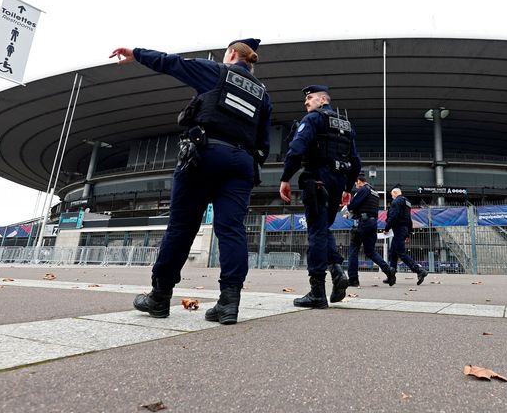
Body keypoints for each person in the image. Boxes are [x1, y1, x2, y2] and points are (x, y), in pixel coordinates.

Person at [109, 38, 272, 324]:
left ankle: (159, 298)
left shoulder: (218, 72)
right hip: (242, 162)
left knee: (182, 227)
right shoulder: (262, 93)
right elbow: (264, 143)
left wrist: (136, 53)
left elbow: (173, 63)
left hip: (205, 155)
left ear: (232, 54)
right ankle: (228, 303)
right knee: (231, 230)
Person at [279, 85, 361, 307]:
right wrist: (347, 188)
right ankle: (337, 272)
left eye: (310, 97)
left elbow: (296, 148)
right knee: (323, 227)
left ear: (323, 99)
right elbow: (356, 161)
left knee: (316, 231)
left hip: (317, 179)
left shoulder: (314, 119)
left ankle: (317, 292)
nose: (306, 102)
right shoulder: (346, 124)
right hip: (336, 182)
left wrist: (285, 178)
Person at [346, 175, 396, 287]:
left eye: (356, 183)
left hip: (363, 223)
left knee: (353, 249)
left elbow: (353, 205)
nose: (355, 185)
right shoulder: (375, 192)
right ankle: (389, 271)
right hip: (372, 224)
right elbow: (366, 207)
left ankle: (353, 279)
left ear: (359, 181)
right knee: (370, 251)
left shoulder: (364, 189)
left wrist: (348, 208)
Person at [384, 185, 428, 286]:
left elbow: (393, 216)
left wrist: (386, 228)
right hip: (403, 229)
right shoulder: (407, 202)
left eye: (392, 195)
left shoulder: (396, 202)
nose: (392, 197)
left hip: (399, 229)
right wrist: (408, 232)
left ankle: (419, 270)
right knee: (393, 253)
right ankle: (391, 276)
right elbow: (409, 219)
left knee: (400, 253)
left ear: (395, 193)